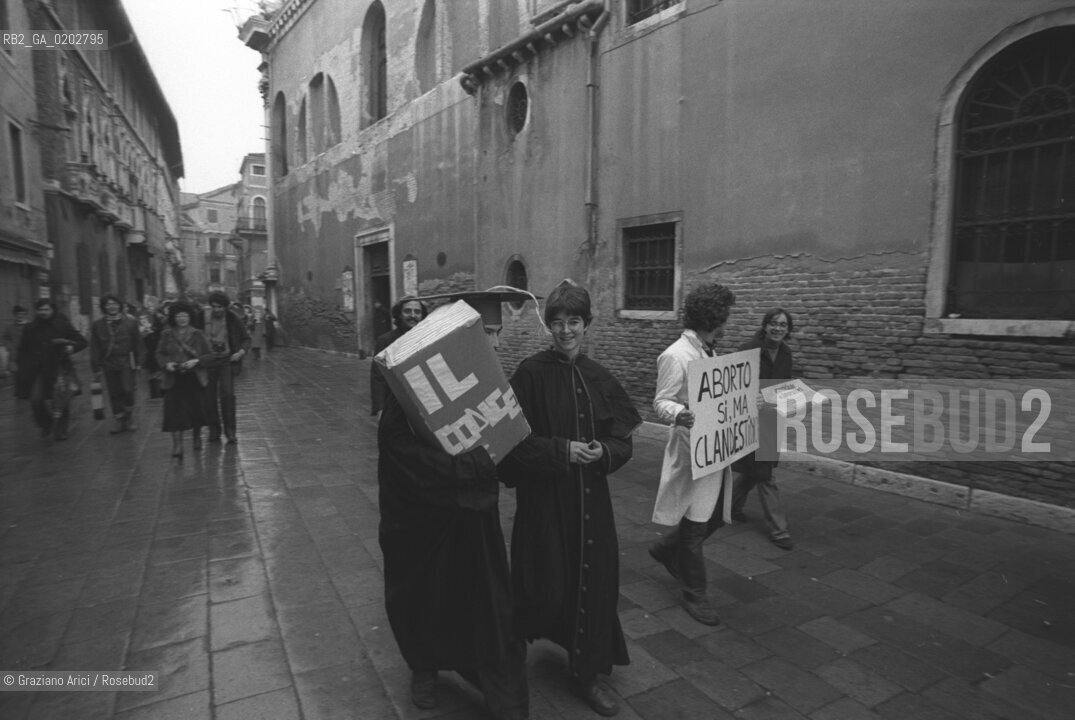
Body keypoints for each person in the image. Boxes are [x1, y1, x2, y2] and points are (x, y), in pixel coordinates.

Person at [378, 291, 530, 720]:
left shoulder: (489, 381)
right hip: (421, 522)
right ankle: (424, 667)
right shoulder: (407, 391)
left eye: (497, 334)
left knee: (489, 608)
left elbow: (505, 439)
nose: (496, 345)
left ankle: (506, 700)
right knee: (423, 600)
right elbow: (400, 455)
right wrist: (470, 465)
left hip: (472, 519)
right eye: (488, 335)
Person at [500, 281, 641, 717]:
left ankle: (587, 673)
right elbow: (510, 446)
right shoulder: (529, 373)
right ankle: (505, 660)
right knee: (542, 581)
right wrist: (559, 450)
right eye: (558, 323)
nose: (565, 331)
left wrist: (605, 452)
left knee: (593, 584)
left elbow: (623, 440)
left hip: (591, 504)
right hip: (545, 503)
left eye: (574, 322)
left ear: (587, 325)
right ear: (549, 326)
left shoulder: (599, 376)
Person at [647, 283, 737, 626]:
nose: (727, 324)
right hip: (693, 452)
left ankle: (666, 549)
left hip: (716, 448)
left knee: (713, 516)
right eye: (724, 317)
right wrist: (678, 414)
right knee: (698, 523)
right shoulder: (676, 355)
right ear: (713, 318)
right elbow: (661, 401)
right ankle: (694, 593)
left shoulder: (709, 351)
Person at [730, 308, 796, 550]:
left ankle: (730, 507)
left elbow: (785, 387)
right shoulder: (748, 350)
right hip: (749, 420)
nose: (778, 329)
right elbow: (733, 386)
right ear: (765, 325)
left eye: (783, 325)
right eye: (774, 324)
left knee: (753, 471)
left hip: (772, 420)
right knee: (765, 475)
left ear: (788, 330)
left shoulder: (786, 353)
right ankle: (780, 530)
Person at [17, 299, 88, 440]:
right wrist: (22, 366)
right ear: (36, 311)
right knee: (35, 399)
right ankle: (46, 423)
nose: (43, 312)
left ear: (52, 310)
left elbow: (82, 341)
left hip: (58, 368)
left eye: (46, 309)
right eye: (40, 309)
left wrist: (71, 348)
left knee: (61, 398)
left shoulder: (63, 326)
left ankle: (61, 429)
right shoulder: (30, 328)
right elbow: (23, 349)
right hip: (36, 370)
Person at [155, 302, 212, 458]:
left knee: (196, 409)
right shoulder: (166, 334)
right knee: (173, 411)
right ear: (173, 317)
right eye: (178, 316)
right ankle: (177, 444)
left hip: (193, 377)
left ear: (190, 317)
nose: (182, 319)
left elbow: (209, 355)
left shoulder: (198, 334)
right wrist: (167, 364)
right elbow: (159, 354)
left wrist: (196, 362)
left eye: (185, 316)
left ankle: (197, 436)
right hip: (173, 378)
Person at [89, 294, 145, 433]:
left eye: (114, 304)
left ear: (120, 306)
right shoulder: (98, 325)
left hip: (126, 360)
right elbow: (94, 347)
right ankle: (119, 419)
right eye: (108, 304)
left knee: (127, 390)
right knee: (114, 392)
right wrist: (96, 367)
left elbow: (137, 343)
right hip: (108, 362)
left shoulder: (131, 322)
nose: (112, 307)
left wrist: (139, 362)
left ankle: (129, 416)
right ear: (104, 307)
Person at [202, 291, 251, 444]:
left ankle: (230, 432)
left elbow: (246, 338)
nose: (216, 310)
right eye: (214, 307)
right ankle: (214, 431)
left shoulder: (232, 318)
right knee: (209, 397)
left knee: (227, 395)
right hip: (208, 362)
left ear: (225, 307)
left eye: (220, 307)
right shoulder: (203, 318)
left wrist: (240, 352)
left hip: (226, 361)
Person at [369, 296, 428, 415]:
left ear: (422, 316)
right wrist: (380, 409)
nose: (413, 315)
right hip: (395, 407)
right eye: (407, 311)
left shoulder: (429, 338)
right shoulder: (385, 341)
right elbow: (378, 378)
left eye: (417, 312)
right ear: (399, 314)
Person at [2, 305, 30, 393]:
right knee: (16, 375)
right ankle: (18, 392)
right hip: (15, 357)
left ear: (25, 314)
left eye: (22, 314)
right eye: (18, 314)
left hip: (28, 356)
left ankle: (27, 391)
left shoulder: (30, 326)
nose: (20, 316)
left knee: (28, 375)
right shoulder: (9, 327)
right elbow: (4, 338)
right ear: (14, 315)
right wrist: (10, 346)